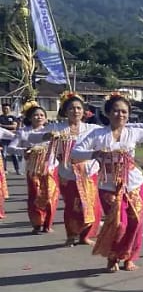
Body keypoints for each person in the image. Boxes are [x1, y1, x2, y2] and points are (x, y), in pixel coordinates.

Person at [72, 94, 143, 272]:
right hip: (108, 185)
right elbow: (76, 153)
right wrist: (95, 154)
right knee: (119, 223)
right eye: (115, 111)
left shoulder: (133, 132)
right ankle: (113, 256)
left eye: (124, 111)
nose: (120, 115)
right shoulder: (97, 134)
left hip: (134, 183)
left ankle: (129, 257)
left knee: (136, 222)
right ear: (107, 113)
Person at [28, 92, 103, 247]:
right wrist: (47, 136)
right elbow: (31, 138)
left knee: (90, 204)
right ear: (65, 111)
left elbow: (109, 136)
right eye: (71, 108)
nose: (75, 111)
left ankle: (85, 235)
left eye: (78, 108)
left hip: (89, 172)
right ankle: (71, 235)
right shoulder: (57, 128)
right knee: (72, 205)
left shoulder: (92, 129)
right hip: (67, 174)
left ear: (84, 111)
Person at [11, 103, 58, 234]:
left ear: (46, 118)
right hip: (33, 169)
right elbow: (11, 148)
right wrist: (24, 151)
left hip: (49, 168)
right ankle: (37, 224)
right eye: (36, 115)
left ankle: (48, 224)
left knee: (50, 196)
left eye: (42, 115)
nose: (39, 117)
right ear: (30, 117)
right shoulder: (23, 132)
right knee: (35, 196)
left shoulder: (51, 131)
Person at [0, 103, 21, 174]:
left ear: (9, 109)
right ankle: (4, 170)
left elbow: (14, 126)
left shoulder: (13, 117)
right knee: (3, 154)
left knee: (14, 154)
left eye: (7, 108)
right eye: (4, 108)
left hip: (12, 138)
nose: (5, 110)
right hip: (3, 139)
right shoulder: (0, 117)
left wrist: (2, 126)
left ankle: (17, 169)